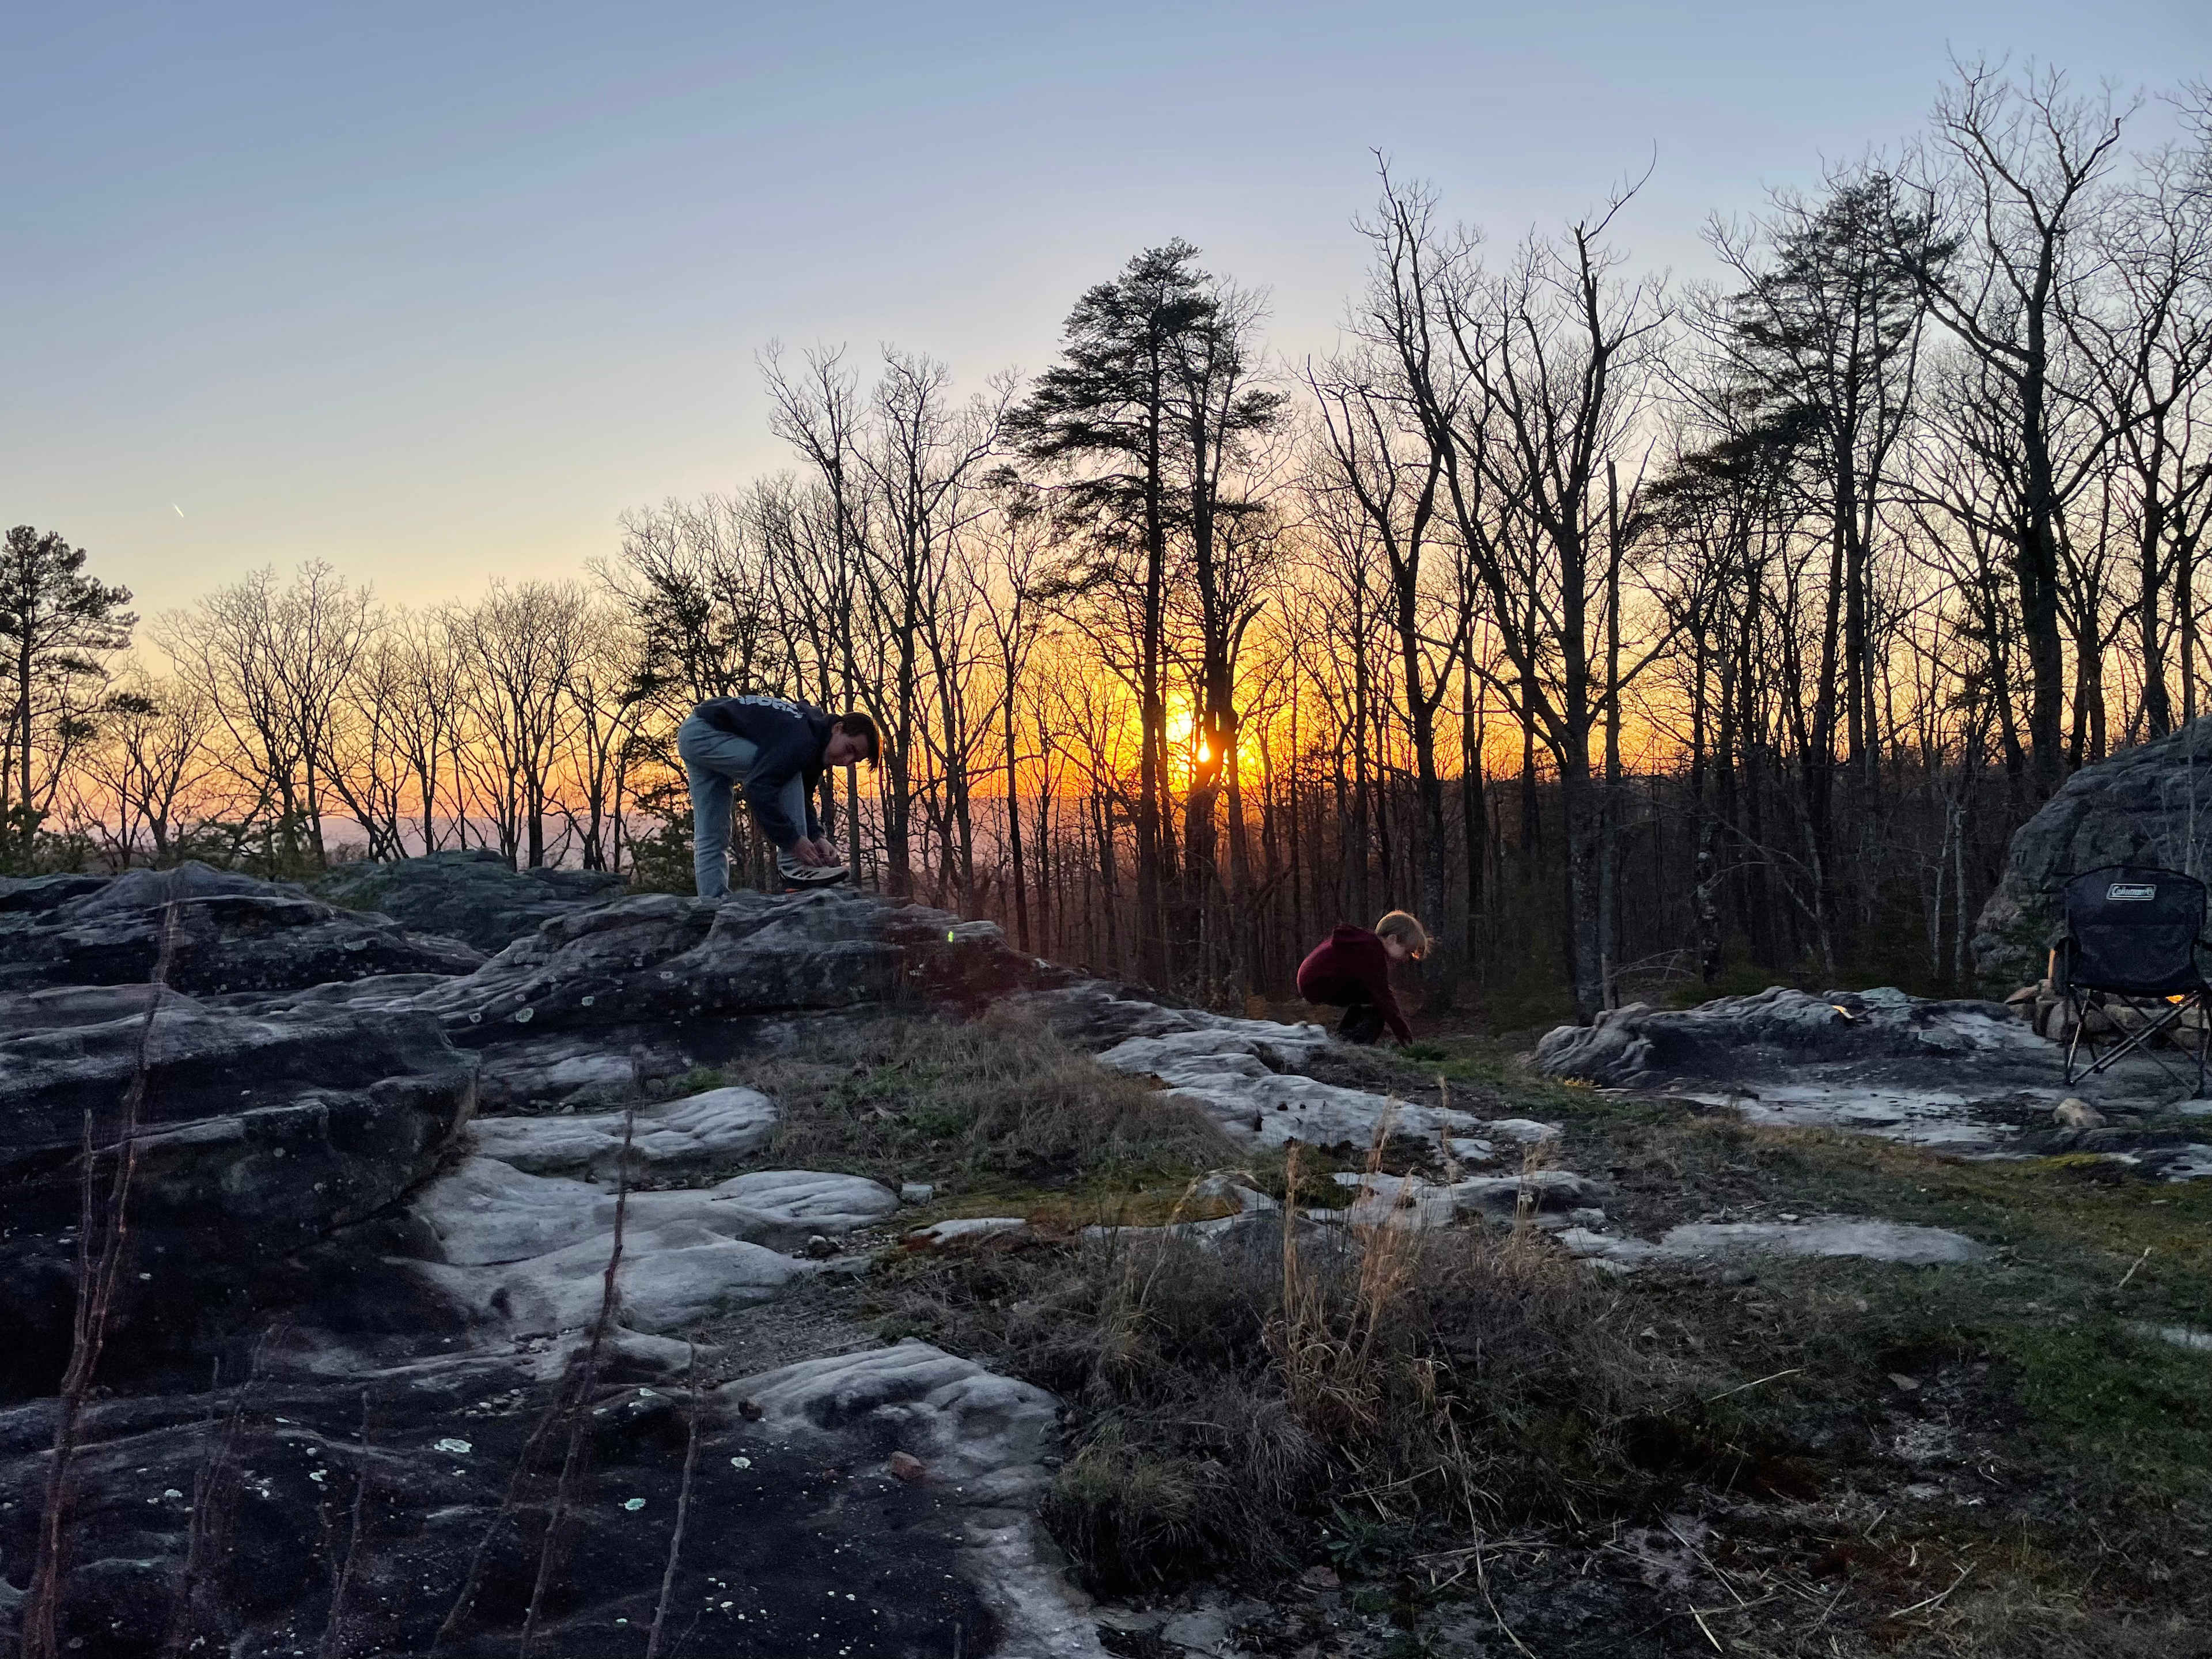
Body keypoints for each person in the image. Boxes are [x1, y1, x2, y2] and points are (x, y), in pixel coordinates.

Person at [676, 694, 880, 899]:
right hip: (705, 732)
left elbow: (802, 797)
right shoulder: (802, 738)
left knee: (712, 831)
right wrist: (793, 841)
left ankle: (711, 903)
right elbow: (758, 787)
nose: (846, 761)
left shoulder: (811, 735)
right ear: (838, 728)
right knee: (785, 775)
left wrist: (817, 837)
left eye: (855, 760)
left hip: (696, 730)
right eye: (849, 749)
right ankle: (795, 869)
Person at [1295, 911, 1428, 1045]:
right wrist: (1403, 1034)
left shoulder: (1366, 944)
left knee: (1373, 999)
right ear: (1392, 939)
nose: (1406, 959)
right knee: (1379, 1004)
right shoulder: (1371, 951)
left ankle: (1343, 1040)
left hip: (1313, 981)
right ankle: (1353, 1046)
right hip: (1317, 983)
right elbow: (1383, 996)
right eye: (1407, 952)